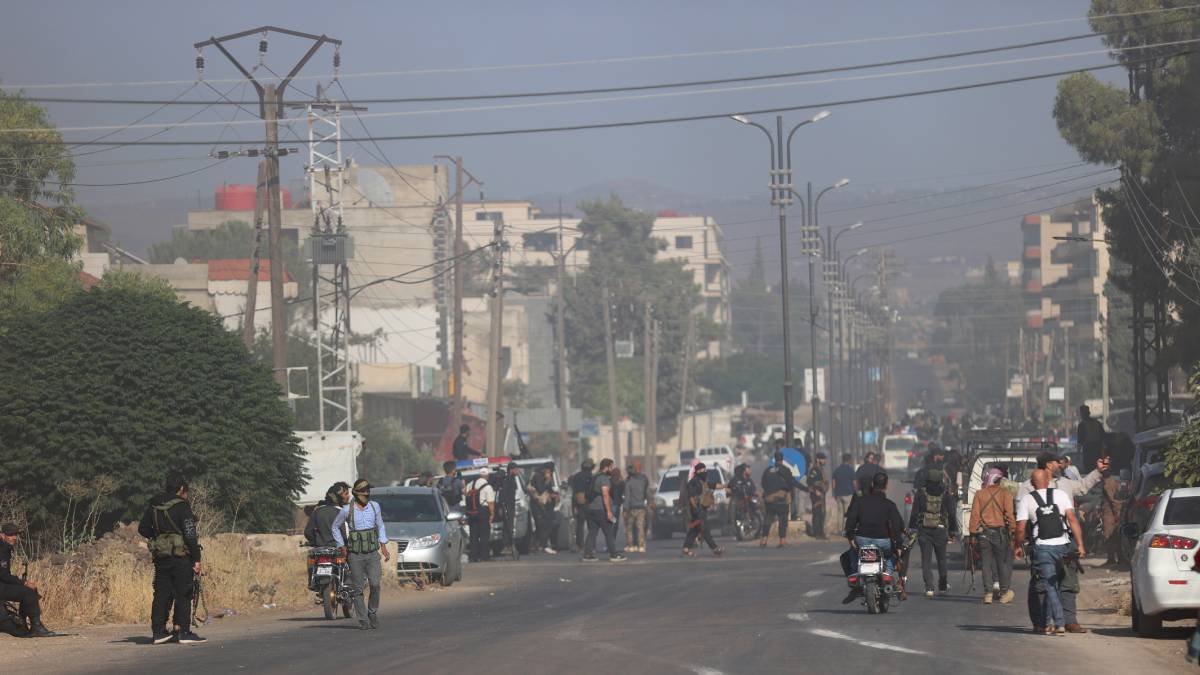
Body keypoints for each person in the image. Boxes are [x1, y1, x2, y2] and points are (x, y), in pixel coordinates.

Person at [1015, 469, 1086, 636]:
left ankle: (1059, 623)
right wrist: (1080, 544)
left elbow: (1020, 528)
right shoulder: (1061, 495)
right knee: (1063, 583)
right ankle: (1051, 623)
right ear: (1048, 480)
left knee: (1049, 586)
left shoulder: (1027, 499)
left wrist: (1017, 545)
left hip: (1043, 548)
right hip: (1064, 546)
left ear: (1031, 484)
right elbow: (1072, 519)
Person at [138, 474, 205, 644]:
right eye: (186, 491)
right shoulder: (183, 507)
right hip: (181, 557)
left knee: (161, 593)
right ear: (181, 489)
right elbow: (190, 535)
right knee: (183, 593)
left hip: (161, 556)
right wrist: (197, 559)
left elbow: (143, 528)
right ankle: (182, 631)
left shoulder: (154, 505)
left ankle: (159, 632)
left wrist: (160, 537)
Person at [332, 479, 391, 630]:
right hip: (355, 555)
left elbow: (380, 525)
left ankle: (372, 612)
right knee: (357, 589)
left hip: (372, 553)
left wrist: (383, 545)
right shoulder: (347, 510)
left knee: (375, 584)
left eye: (368, 490)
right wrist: (341, 546)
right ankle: (363, 619)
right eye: (364, 490)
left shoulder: (374, 506)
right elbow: (335, 527)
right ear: (357, 493)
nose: (367, 493)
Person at [841, 472, 906, 604]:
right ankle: (887, 572)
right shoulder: (889, 505)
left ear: (872, 484)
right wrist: (898, 546)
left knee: (851, 554)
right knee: (893, 555)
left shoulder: (860, 501)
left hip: (862, 540)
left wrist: (850, 537)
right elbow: (897, 526)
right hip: (883, 542)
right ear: (886, 485)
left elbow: (850, 522)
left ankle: (855, 576)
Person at [968, 468, 1016, 604]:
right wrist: (1013, 531)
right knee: (1002, 563)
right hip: (1000, 534)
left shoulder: (979, 494)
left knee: (986, 564)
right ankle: (1004, 592)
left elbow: (975, 516)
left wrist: (972, 534)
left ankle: (988, 594)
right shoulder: (1005, 494)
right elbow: (1009, 515)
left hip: (983, 534)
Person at [0, 523, 54, 638]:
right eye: (10, 535)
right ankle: (36, 627)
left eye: (16, 534)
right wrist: (23, 582)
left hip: (2, 584)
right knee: (28, 591)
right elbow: (3, 575)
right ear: (2, 535)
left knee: (29, 591)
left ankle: (26, 624)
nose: (14, 537)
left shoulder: (6, 547)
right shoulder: (2, 549)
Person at [908, 471, 958, 597]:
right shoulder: (946, 493)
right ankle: (942, 585)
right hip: (940, 530)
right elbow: (952, 514)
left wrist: (912, 528)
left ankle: (929, 587)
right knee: (941, 559)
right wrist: (952, 531)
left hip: (924, 529)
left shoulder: (921, 492)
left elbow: (914, 513)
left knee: (926, 559)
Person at [582, 459, 626, 562]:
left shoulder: (594, 477)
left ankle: (587, 555)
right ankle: (614, 555)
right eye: (611, 467)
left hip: (591, 508)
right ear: (606, 467)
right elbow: (605, 494)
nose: (612, 469)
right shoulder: (604, 478)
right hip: (600, 509)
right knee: (609, 532)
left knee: (592, 532)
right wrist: (609, 511)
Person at [759, 450, 805, 547]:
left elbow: (763, 483)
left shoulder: (768, 470)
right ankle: (782, 541)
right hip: (780, 499)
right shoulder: (784, 469)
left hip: (769, 499)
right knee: (782, 520)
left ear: (775, 459)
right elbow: (793, 482)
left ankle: (764, 540)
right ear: (782, 459)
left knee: (767, 519)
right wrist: (806, 489)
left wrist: (769, 492)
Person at [682, 463, 725, 557]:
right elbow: (691, 498)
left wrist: (725, 486)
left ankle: (686, 548)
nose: (704, 472)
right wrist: (696, 510)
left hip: (702, 509)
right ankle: (715, 548)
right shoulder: (694, 482)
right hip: (697, 510)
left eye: (705, 470)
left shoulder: (703, 481)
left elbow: (714, 485)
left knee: (694, 530)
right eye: (702, 470)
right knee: (704, 529)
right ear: (697, 471)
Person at [464, 467, 496, 563]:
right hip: (483, 512)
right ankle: (484, 556)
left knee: (473, 535)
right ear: (487, 476)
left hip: (472, 512)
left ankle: (474, 556)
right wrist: (492, 514)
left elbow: (466, 497)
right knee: (484, 535)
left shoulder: (470, 485)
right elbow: (490, 503)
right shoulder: (488, 487)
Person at [305, 482, 349, 547]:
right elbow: (346, 535)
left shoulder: (317, 511)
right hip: (341, 551)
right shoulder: (343, 512)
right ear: (337, 497)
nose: (348, 496)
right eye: (346, 494)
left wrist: (316, 542)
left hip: (320, 550)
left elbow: (308, 532)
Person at [528, 464, 560, 555]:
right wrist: (547, 480)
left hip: (544, 506)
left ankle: (538, 545)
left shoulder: (544, 477)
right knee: (541, 525)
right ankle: (540, 545)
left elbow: (549, 490)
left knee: (545, 524)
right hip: (537, 505)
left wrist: (555, 495)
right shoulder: (538, 476)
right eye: (550, 471)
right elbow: (541, 490)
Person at [623, 462, 651, 553]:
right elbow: (647, 493)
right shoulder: (642, 481)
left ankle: (631, 546)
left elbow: (627, 497)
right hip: (641, 507)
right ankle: (641, 546)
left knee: (629, 527)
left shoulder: (628, 483)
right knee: (640, 527)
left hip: (631, 508)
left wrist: (625, 509)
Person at [569, 460, 595, 552]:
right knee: (592, 526)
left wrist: (574, 506)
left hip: (578, 503)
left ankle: (580, 545)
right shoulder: (592, 477)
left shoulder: (576, 477)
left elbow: (573, 492)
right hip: (590, 504)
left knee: (579, 526)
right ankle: (591, 546)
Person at [499, 464, 522, 556]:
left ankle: (509, 546)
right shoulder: (508, 479)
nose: (518, 471)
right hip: (507, 506)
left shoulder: (512, 479)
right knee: (508, 526)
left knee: (509, 526)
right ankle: (507, 546)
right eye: (516, 469)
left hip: (511, 505)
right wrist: (502, 506)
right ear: (511, 470)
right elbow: (503, 494)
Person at [831, 453, 856, 532]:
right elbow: (854, 483)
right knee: (847, 513)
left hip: (838, 494)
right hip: (848, 494)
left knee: (840, 513)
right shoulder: (851, 470)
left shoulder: (837, 470)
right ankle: (846, 530)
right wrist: (857, 492)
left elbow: (833, 483)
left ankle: (839, 530)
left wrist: (834, 493)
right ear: (849, 460)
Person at [1076, 404, 1106, 470]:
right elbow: (1103, 437)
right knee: (1098, 469)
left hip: (1088, 450)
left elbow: (1079, 441)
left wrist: (1078, 454)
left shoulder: (1082, 425)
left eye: (1082, 413)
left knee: (1089, 469)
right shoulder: (1097, 423)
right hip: (1097, 450)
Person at [807, 452, 829, 539]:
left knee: (821, 513)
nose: (825, 461)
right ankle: (817, 533)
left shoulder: (820, 469)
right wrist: (816, 490)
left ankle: (820, 532)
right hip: (816, 494)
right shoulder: (815, 470)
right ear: (818, 460)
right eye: (823, 459)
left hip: (821, 494)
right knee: (817, 513)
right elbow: (810, 481)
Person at [609, 467, 626, 545]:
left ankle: (611, 542)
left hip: (612, 507)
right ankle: (611, 542)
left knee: (612, 525)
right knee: (614, 525)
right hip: (614, 507)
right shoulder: (621, 483)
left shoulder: (609, 482)